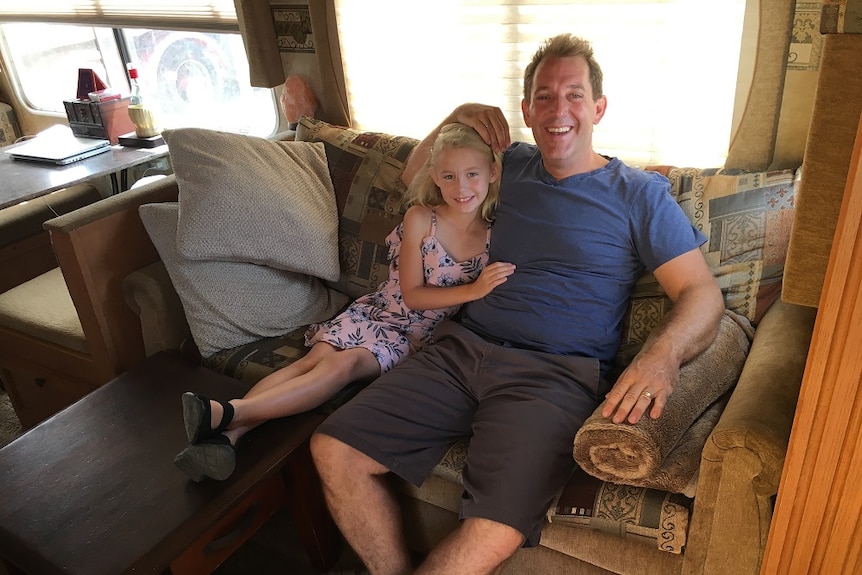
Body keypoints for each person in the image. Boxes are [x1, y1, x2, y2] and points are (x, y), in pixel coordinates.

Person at [310, 33, 725, 575]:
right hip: (460, 348)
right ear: (526, 111)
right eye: (545, 97)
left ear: (598, 108)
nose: (560, 110)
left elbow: (702, 293)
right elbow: (417, 178)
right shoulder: (505, 166)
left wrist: (661, 357)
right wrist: (457, 114)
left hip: (553, 375)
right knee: (333, 449)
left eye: (574, 95)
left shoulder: (638, 194)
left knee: (495, 524)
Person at [173, 123, 516, 483]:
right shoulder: (421, 219)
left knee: (344, 364)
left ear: (492, 173)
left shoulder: (496, 235)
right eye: (449, 176)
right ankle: (228, 436)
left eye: (472, 174)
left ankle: (223, 415)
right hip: (377, 310)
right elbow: (413, 295)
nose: (461, 187)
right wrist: (474, 290)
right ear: (435, 176)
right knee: (314, 361)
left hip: (410, 337)